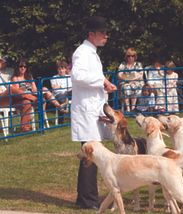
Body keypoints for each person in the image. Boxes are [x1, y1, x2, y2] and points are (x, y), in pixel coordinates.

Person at [71, 16, 116, 209]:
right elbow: (78, 75)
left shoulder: (92, 53)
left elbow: (91, 77)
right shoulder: (82, 52)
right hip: (86, 111)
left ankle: (87, 198)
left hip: (93, 109)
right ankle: (87, 200)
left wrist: (103, 85)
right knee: (90, 155)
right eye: (102, 33)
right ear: (92, 34)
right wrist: (102, 82)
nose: (106, 36)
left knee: (92, 155)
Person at [0, 56, 36, 132]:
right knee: (11, 88)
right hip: (2, 98)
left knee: (26, 102)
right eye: (0, 62)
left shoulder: (8, 71)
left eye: (2, 62)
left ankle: (25, 128)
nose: (2, 63)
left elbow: (20, 72)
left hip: (12, 97)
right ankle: (32, 98)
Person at [117, 48, 144, 112]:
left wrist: (131, 79)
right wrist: (127, 80)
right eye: (129, 56)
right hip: (125, 82)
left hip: (136, 82)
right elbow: (119, 74)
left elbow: (140, 74)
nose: (130, 57)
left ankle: (133, 108)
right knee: (126, 87)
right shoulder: (123, 64)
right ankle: (128, 109)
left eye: (132, 56)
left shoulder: (138, 64)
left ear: (135, 57)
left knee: (134, 86)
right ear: (126, 57)